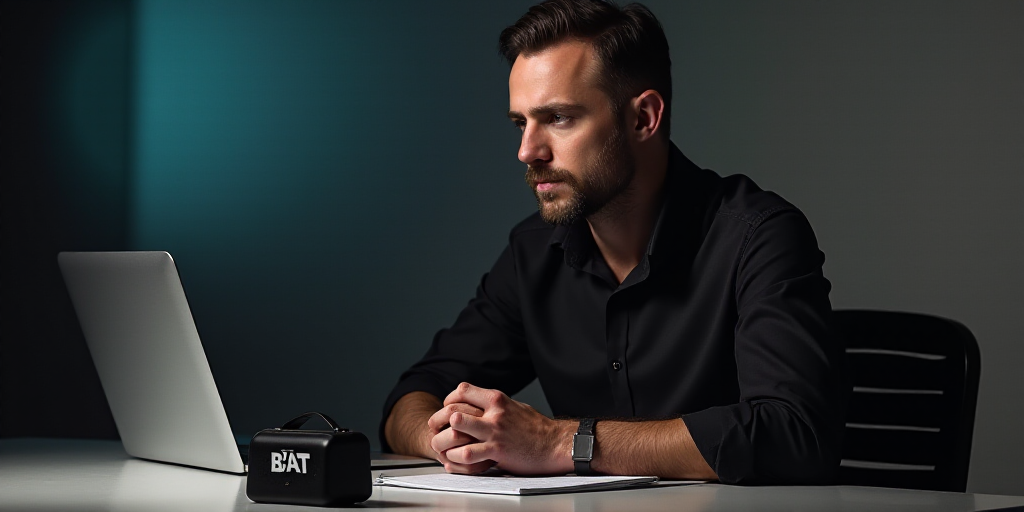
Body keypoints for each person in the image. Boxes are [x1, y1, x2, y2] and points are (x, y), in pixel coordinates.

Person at [380, 0, 846, 484]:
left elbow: (794, 433)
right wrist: (449, 440)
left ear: (643, 118)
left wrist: (557, 442)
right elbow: (411, 399)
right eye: (522, 122)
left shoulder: (758, 235)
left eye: (558, 118)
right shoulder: (533, 251)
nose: (527, 151)